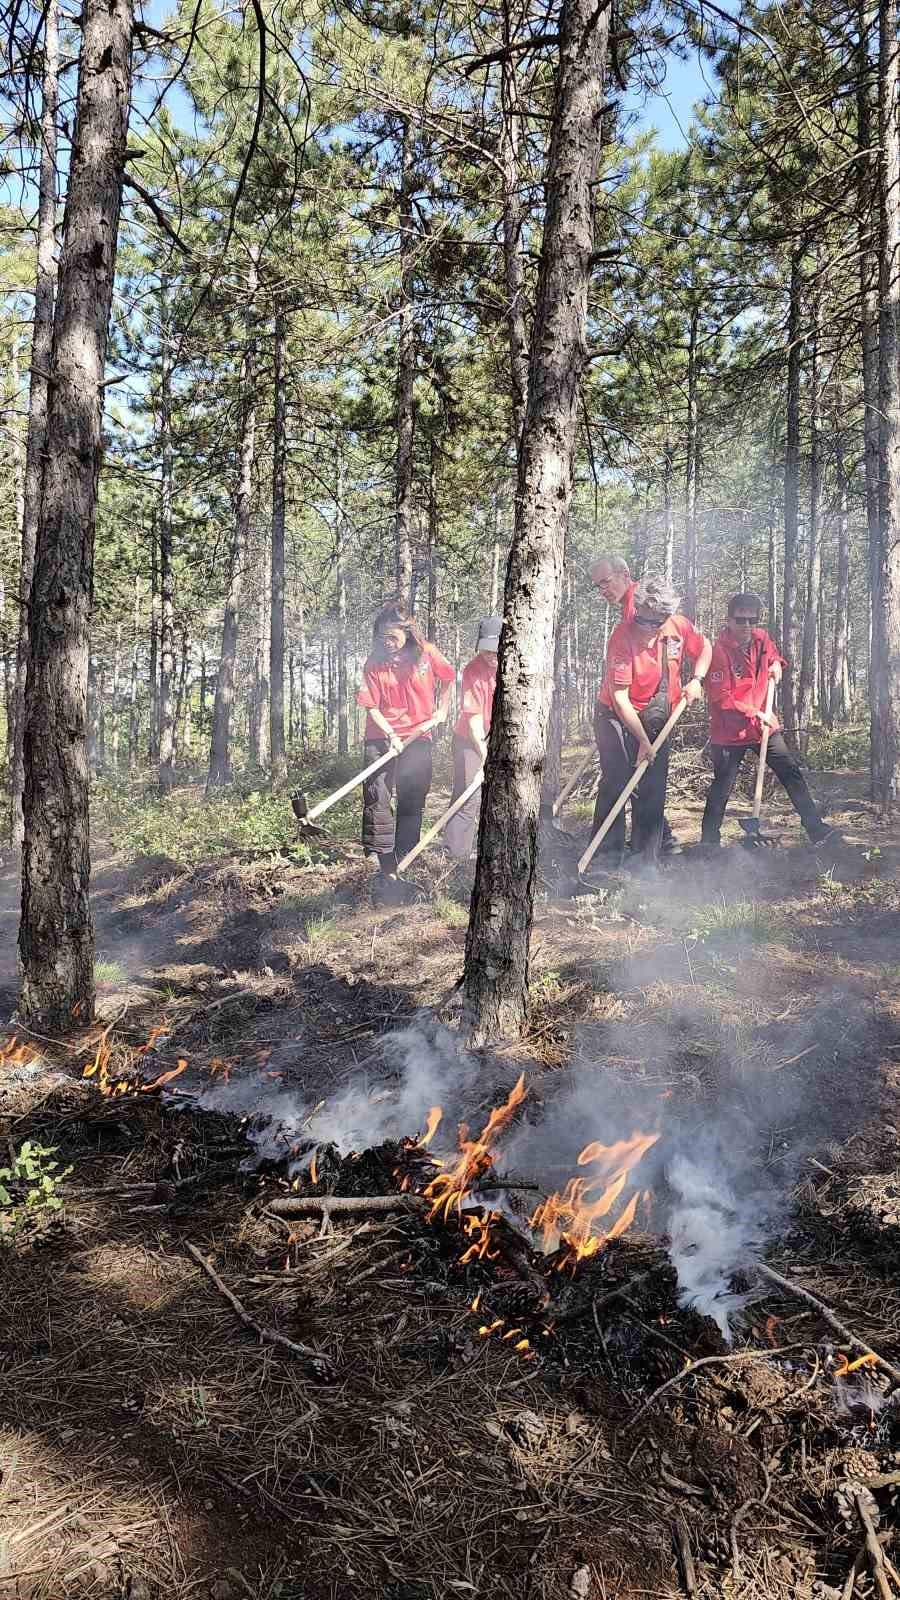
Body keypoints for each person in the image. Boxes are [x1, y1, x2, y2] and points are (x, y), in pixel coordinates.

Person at [591, 577, 712, 863]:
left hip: (658, 715)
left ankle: (645, 858)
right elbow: (619, 698)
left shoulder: (678, 626)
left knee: (653, 787)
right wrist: (643, 741)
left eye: (656, 622)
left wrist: (697, 679)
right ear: (637, 611)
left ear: (667, 617)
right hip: (616, 715)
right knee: (617, 780)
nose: (649, 628)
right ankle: (606, 856)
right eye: (643, 620)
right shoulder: (622, 636)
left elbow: (705, 648)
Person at [701, 592, 832, 847]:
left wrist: (777, 665)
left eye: (752, 620)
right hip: (729, 732)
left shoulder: (761, 639)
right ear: (729, 620)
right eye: (741, 620)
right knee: (722, 787)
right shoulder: (718, 652)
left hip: (762, 727)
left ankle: (817, 830)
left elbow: (774, 657)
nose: (747, 626)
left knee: (790, 773)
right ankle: (708, 843)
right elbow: (722, 699)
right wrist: (754, 713)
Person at [356, 600, 456, 901]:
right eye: (382, 636)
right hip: (381, 736)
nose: (387, 642)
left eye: (393, 636)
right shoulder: (374, 663)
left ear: (407, 632)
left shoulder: (426, 653)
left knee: (412, 796)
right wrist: (390, 734)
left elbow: (449, 677)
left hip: (418, 735)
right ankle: (385, 867)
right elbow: (371, 706)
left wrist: (443, 709)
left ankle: (406, 859)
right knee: (378, 797)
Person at [444, 616, 501, 861]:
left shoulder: (514, 666)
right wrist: (484, 754)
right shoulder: (473, 670)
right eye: (486, 650)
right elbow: (474, 719)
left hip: (499, 737)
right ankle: (456, 853)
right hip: (469, 739)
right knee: (469, 792)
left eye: (495, 649)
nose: (491, 655)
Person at [588, 553, 636, 620]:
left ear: (625, 575)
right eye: (598, 586)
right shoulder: (628, 605)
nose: (602, 592)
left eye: (605, 582)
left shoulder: (641, 604)